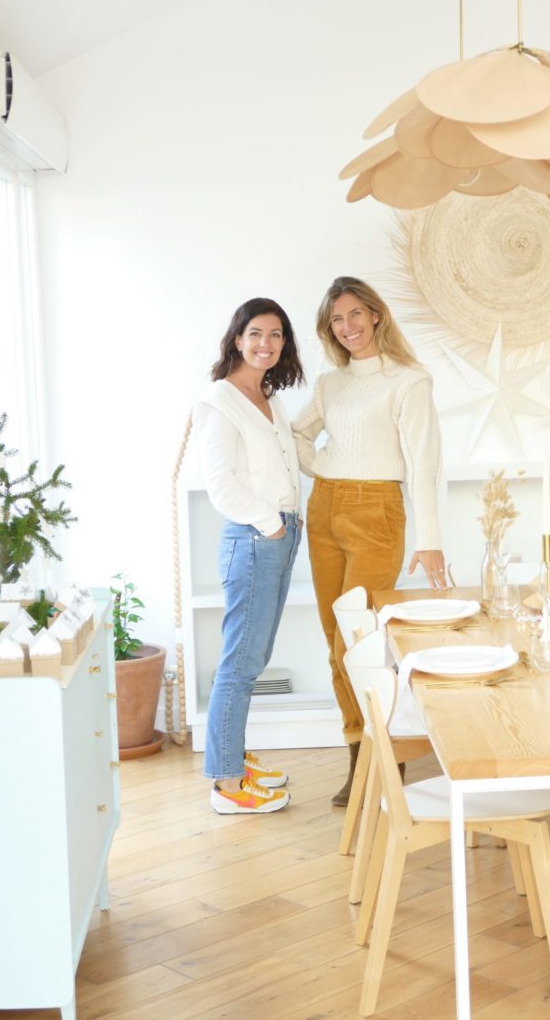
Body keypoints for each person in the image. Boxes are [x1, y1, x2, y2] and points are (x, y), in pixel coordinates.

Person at [292, 276, 446, 806]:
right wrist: (324, 466)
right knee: (334, 644)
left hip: (378, 510)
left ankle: (388, 757)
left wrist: (430, 540)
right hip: (325, 509)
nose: (348, 327)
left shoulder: (409, 379)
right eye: (337, 319)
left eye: (356, 314)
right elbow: (296, 434)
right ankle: (360, 756)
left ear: (376, 315)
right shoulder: (330, 384)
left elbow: (424, 464)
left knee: (357, 644)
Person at [193, 297, 305, 814]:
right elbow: (221, 484)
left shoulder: (268, 397)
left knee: (251, 658)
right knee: (240, 663)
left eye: (276, 335)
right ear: (237, 338)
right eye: (256, 333)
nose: (266, 343)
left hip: (278, 534)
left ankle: (232, 754)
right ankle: (227, 782)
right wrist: (271, 525)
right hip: (256, 537)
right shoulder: (220, 401)